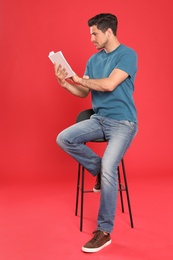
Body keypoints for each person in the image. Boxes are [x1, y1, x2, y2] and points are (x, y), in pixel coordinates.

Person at [54, 13, 138, 253]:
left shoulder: (127, 55)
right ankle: (99, 171)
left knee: (111, 167)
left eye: (94, 33)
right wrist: (67, 84)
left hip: (124, 123)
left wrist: (81, 80)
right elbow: (83, 93)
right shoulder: (93, 59)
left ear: (108, 32)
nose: (91, 38)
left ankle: (104, 231)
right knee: (64, 138)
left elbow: (110, 84)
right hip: (99, 119)